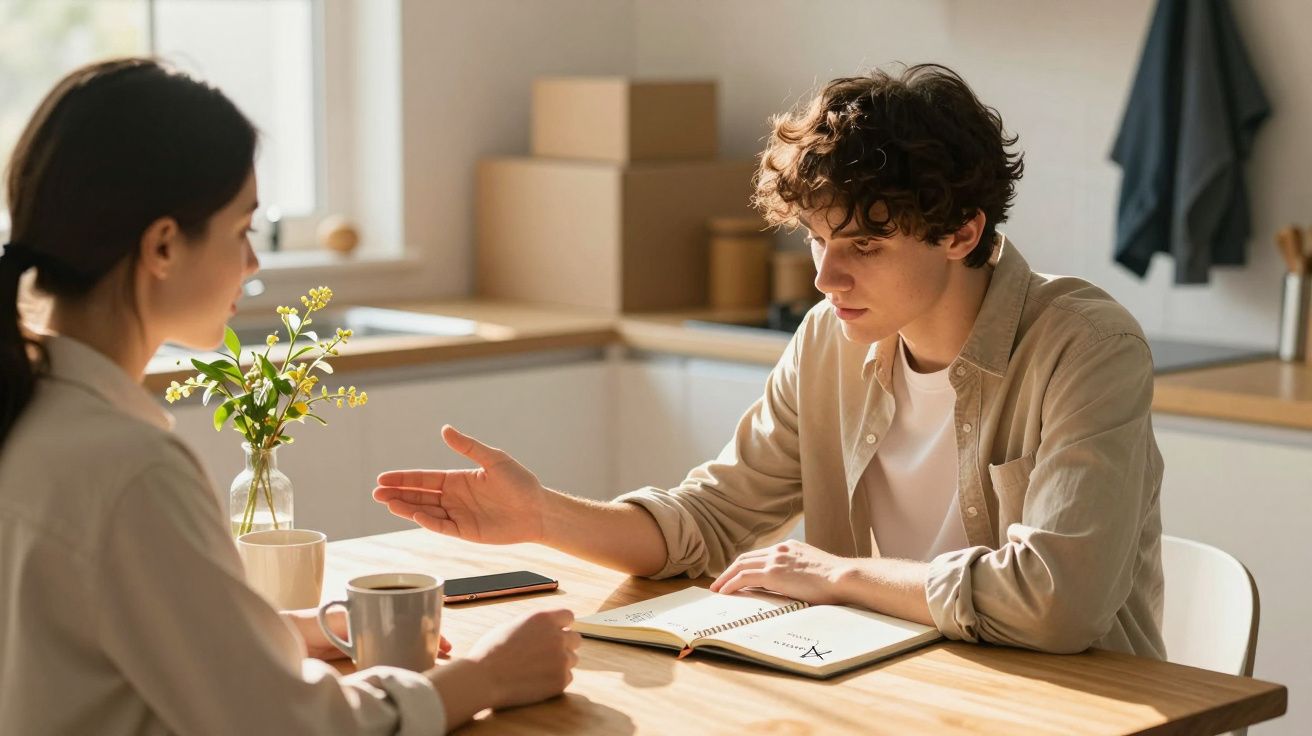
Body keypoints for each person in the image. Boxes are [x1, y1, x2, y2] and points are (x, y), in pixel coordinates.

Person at [374, 64, 1166, 659]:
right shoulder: (831, 337)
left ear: (961, 233)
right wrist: (543, 516)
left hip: (1074, 706)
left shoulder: (1084, 347)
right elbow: (712, 519)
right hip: (897, 684)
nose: (825, 278)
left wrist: (841, 574)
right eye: (818, 240)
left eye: (864, 245)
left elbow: (1058, 604)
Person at [0, 58, 579, 735]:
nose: (252, 267)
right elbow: (285, 727)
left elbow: (102, 625)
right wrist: (486, 677)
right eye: (242, 231)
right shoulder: (128, 469)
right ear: (162, 246)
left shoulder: (37, 414)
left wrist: (285, 630)